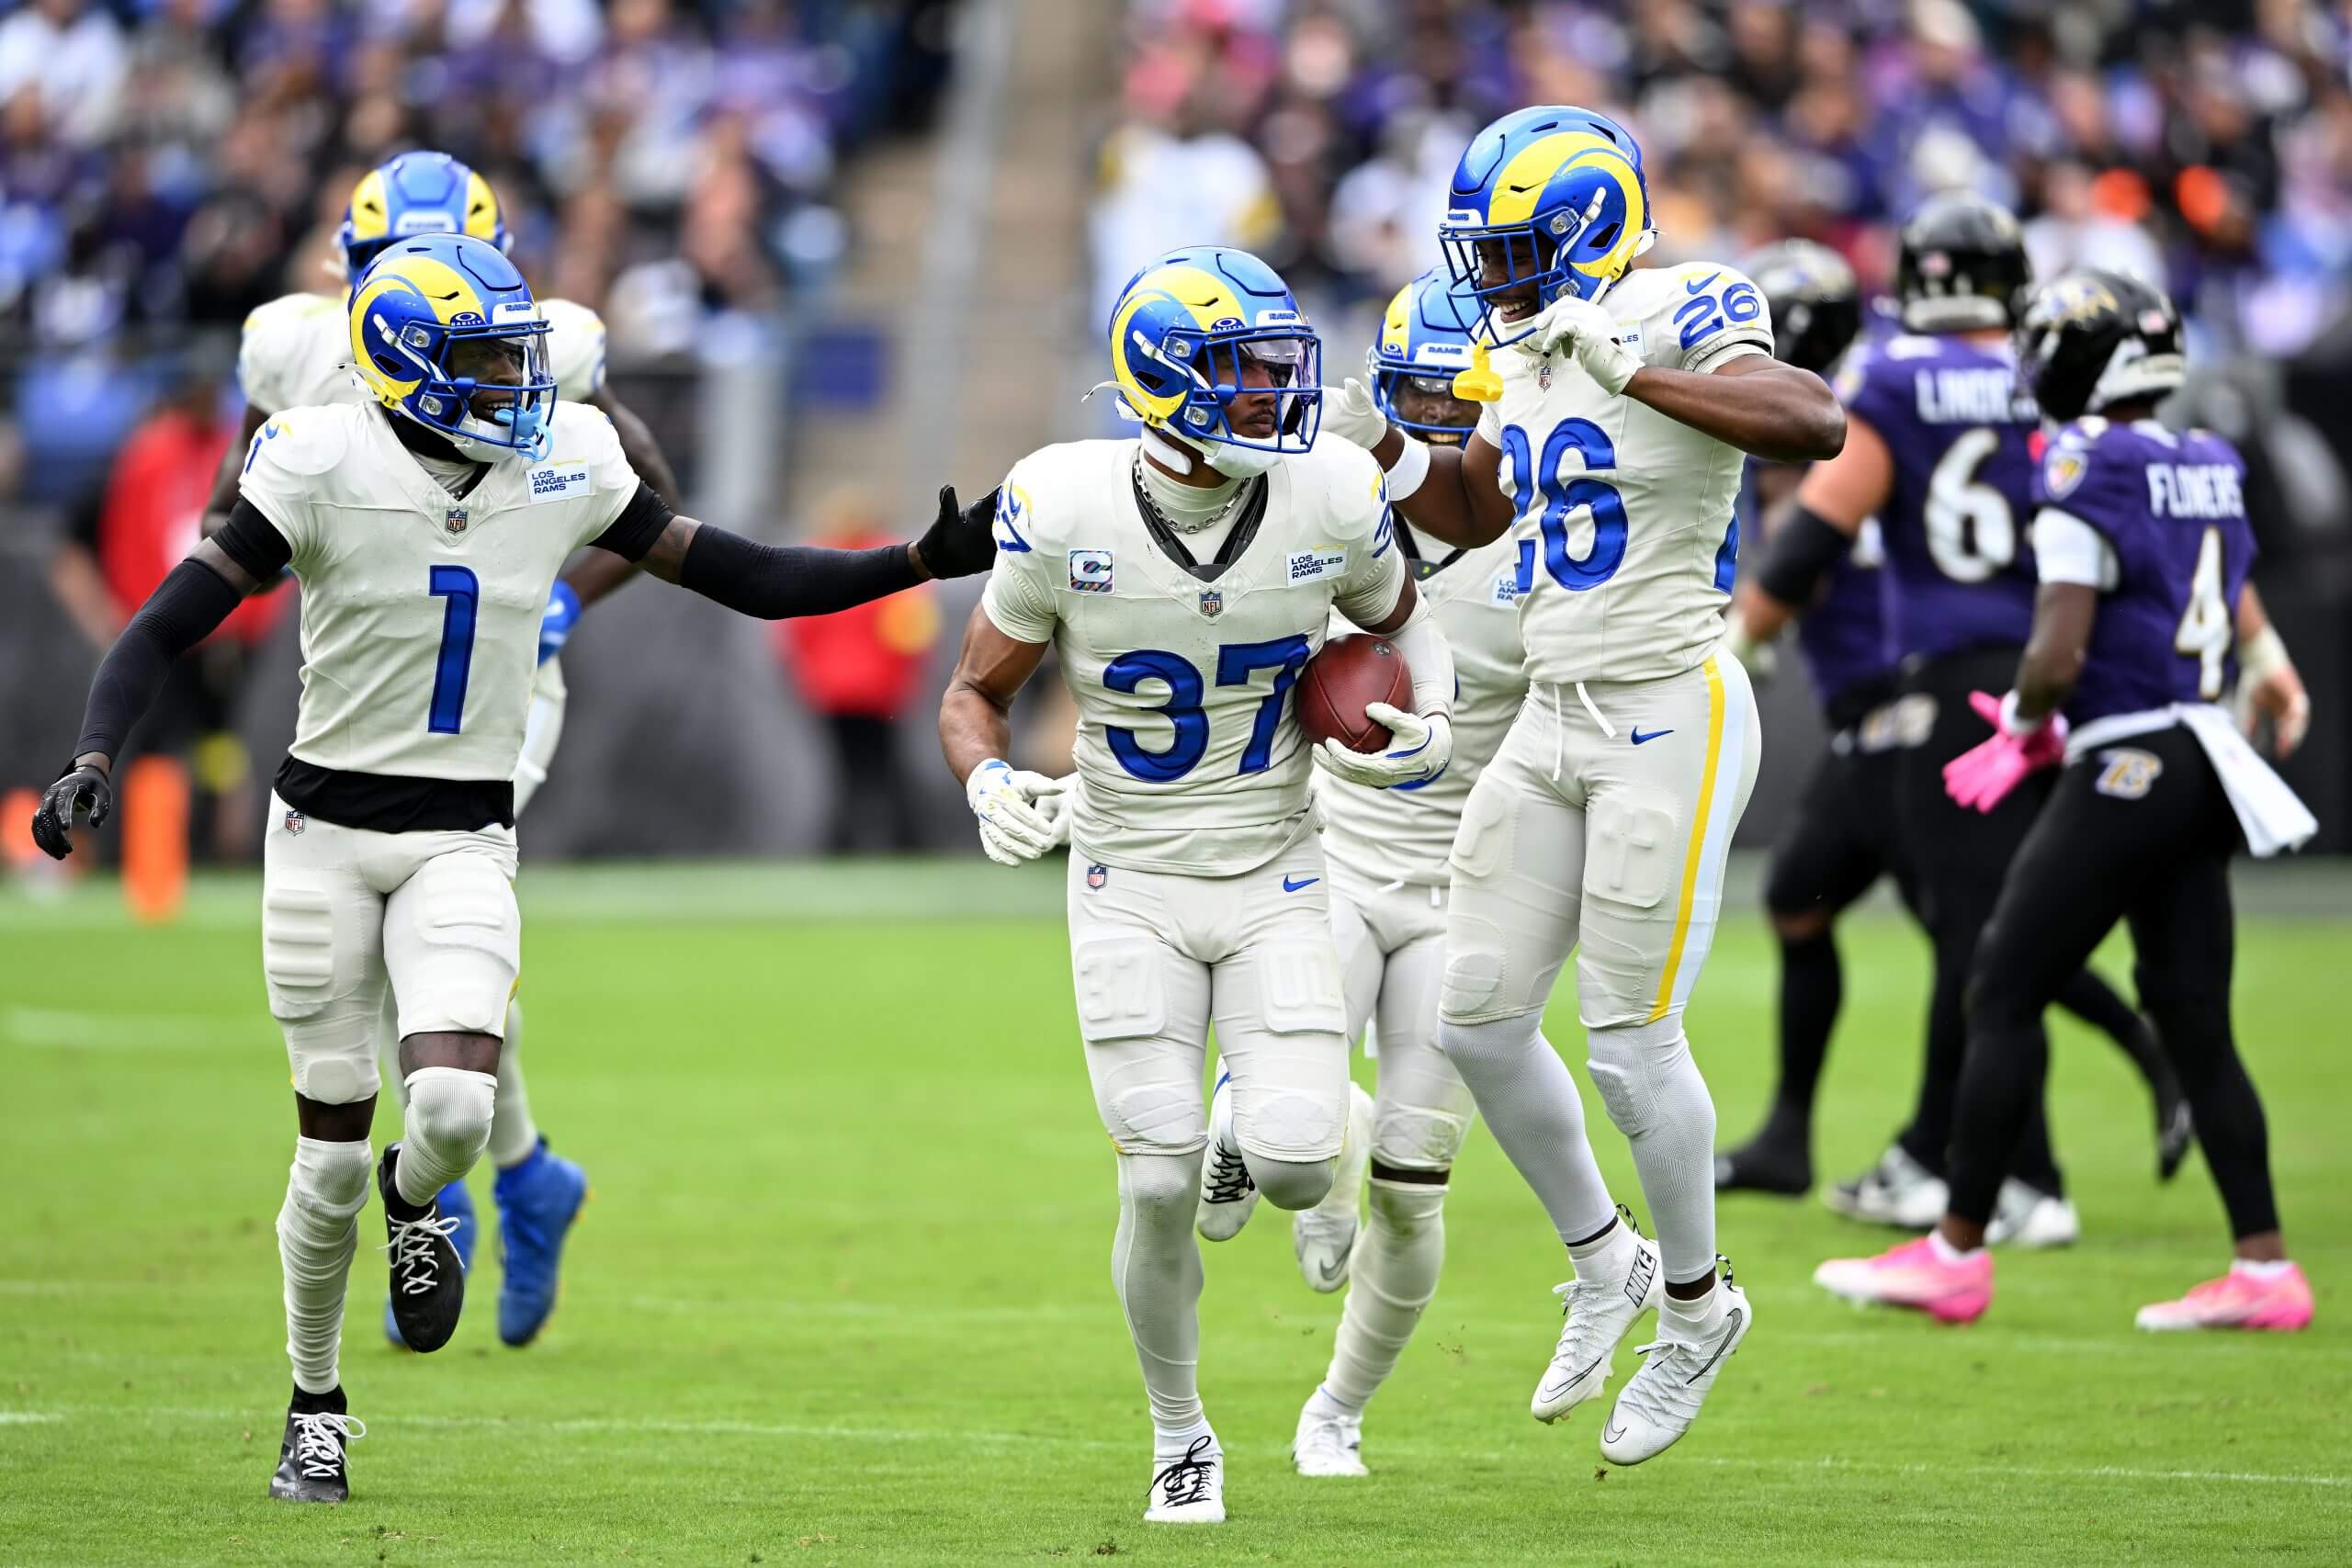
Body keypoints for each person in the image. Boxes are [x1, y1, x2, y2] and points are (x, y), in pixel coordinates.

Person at [31, 231, 1000, 1504]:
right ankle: (314, 1402)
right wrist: (96, 753)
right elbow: (168, 620)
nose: (515, 384)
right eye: (484, 360)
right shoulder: (318, 458)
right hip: (321, 838)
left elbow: (744, 574)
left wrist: (913, 564)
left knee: (445, 1111)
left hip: (462, 835)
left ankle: (414, 1196)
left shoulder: (563, 459)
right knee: (320, 1153)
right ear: (403, 365)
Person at [1321, 105, 1846, 1465]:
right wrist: (1370, 455)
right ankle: (1604, 1259)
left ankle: (1695, 1302)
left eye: (1508, 250)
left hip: (1670, 706)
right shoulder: (1526, 344)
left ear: (1586, 233)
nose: (1489, 277)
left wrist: (1630, 368)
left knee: (1629, 1041)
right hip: (1553, 714)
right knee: (1478, 1013)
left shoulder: (1681, 304)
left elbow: (1811, 420)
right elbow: (1486, 508)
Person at [937, 245, 1456, 1524]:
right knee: (1158, 1181)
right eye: (1245, 371)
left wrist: (1430, 712)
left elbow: (1401, 617)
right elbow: (974, 692)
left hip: (1280, 861)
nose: (1279, 391)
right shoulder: (1064, 505)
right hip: (1128, 876)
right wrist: (989, 782)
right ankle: (1182, 1431)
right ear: (1165, 383)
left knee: (1287, 1165)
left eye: (1280, 363)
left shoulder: (1330, 491)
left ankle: (1258, 1118)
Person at [207, 150, 687, 1350]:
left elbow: (655, 501)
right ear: (357, 276)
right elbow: (233, 517)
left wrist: (564, 597)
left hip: (491, 690)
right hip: (369, 677)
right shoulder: (299, 353)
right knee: (395, 961)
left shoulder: (539, 353)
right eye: (394, 269)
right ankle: (510, 1171)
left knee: (429, 930)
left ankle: (461, 1175)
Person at [1815, 270, 2316, 1330]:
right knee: (2197, 1023)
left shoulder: (2085, 458)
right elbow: (2227, 595)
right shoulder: (2207, 459)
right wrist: (2268, 663)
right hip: (2203, 755)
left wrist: (2029, 719)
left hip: (2125, 756)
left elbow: (2055, 645)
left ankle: (1957, 1251)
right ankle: (2266, 1270)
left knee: (1998, 985)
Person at [1734, 193, 2179, 1245]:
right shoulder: (2051, 385)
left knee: (1979, 936)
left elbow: (1811, 542)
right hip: (2041, 675)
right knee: (1970, 926)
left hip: (1926, 691)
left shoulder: (1881, 388)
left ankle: (2007, 1174)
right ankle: (1945, 1151)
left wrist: (1733, 638)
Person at [1260, 269, 1529, 1478]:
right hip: (1335, 856)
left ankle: (1338, 1407)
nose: (1431, 430)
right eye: (1413, 397)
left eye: (1455, 404)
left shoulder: (1555, 531)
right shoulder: (1320, 503)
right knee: (1271, 1128)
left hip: (1475, 885)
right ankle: (1314, 1158)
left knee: (1415, 1185)